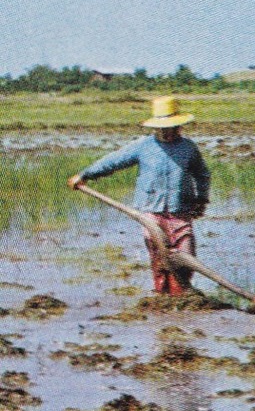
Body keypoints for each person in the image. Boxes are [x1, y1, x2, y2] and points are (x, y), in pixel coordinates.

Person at [68, 95, 211, 297]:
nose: (167, 133)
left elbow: (202, 174)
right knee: (159, 256)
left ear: (179, 126)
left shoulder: (188, 148)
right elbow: (113, 161)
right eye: (162, 129)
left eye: (171, 128)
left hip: (181, 211)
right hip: (150, 211)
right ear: (155, 128)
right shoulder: (143, 146)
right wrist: (84, 175)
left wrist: (201, 199)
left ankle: (181, 295)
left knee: (186, 257)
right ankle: (162, 296)